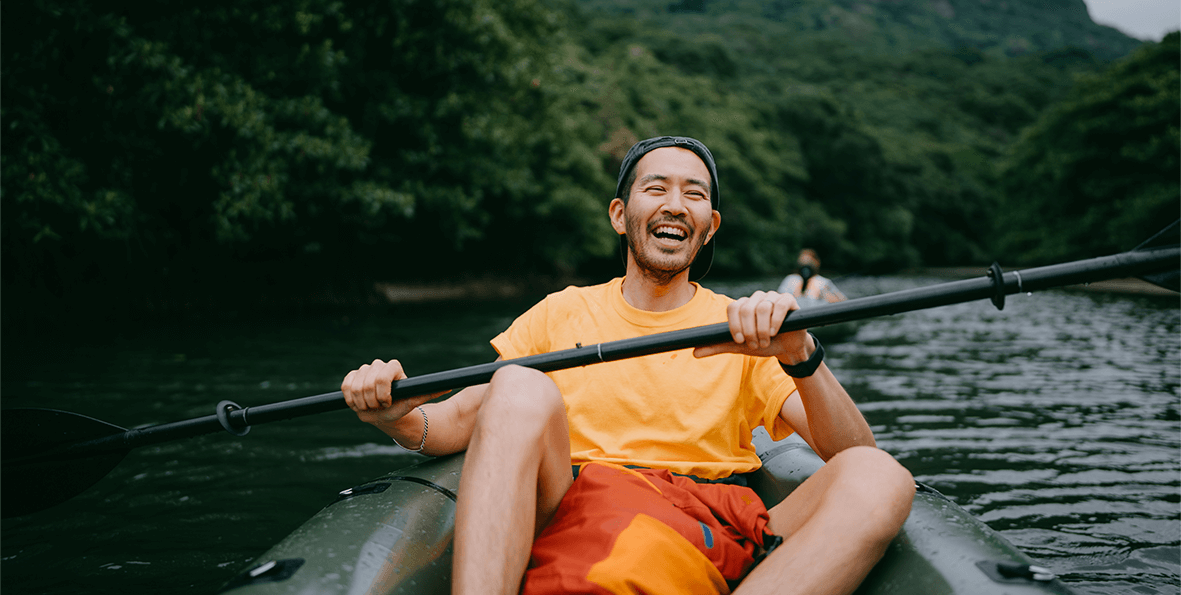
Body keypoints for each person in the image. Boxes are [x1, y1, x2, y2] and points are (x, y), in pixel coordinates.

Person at [341, 136, 914, 595]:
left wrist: (800, 353)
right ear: (621, 214)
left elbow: (852, 454)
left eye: (694, 194)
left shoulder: (744, 326)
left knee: (883, 477)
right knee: (516, 384)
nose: (674, 204)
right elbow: (450, 422)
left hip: (711, 520)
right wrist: (393, 415)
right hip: (578, 509)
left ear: (709, 226)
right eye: (656, 188)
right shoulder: (561, 311)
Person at [777, 249, 847, 303]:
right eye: (802, 263)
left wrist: (824, 295)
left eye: (809, 263)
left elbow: (844, 302)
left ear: (817, 263)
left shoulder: (823, 282)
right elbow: (778, 298)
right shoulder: (790, 279)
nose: (805, 267)